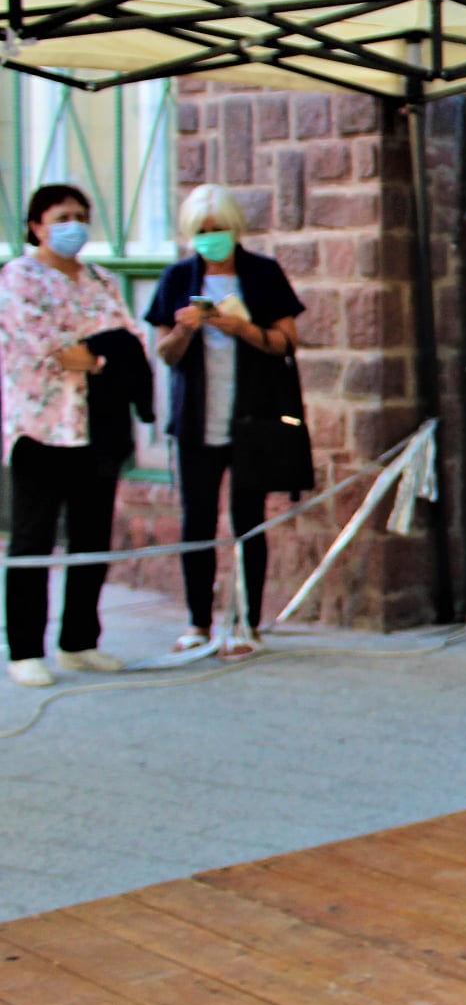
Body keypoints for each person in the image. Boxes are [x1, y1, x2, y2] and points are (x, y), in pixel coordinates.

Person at [144, 184, 305, 662]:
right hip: (197, 420)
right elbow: (165, 353)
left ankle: (247, 621)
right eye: (203, 230)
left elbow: (287, 342)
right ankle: (198, 622)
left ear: (235, 229)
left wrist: (243, 329)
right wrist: (185, 328)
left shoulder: (262, 273)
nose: (211, 237)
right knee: (196, 520)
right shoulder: (177, 277)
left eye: (219, 229)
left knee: (247, 521)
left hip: (253, 418)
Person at [0, 185, 144, 687]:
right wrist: (101, 355)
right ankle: (25, 649)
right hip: (41, 427)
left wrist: (99, 353)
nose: (73, 225)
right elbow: (47, 343)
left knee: (91, 537)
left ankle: (79, 642)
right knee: (33, 538)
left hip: (98, 427)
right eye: (62, 216)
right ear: (36, 225)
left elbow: (130, 340)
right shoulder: (19, 277)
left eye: (81, 216)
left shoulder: (101, 279)